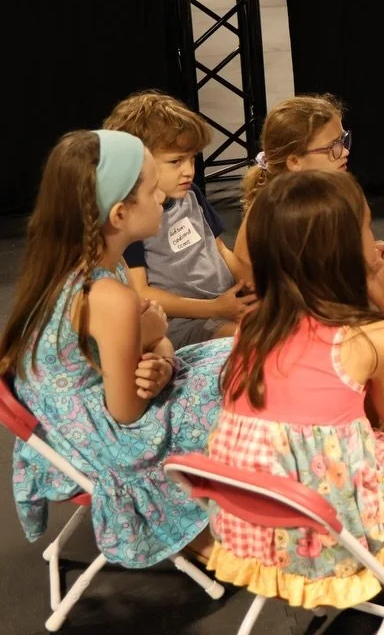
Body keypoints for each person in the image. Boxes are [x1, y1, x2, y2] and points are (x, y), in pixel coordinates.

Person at [205, 171, 384, 630]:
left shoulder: (254, 325)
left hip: (255, 529)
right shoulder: (369, 337)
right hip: (332, 537)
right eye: (366, 226)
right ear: (342, 249)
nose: (374, 234)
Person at [1, 130, 231, 569]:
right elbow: (127, 413)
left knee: (233, 355)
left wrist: (160, 355)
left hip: (99, 401)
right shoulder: (108, 297)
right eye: (151, 188)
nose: (162, 195)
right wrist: (149, 340)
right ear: (121, 213)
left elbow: (156, 338)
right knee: (232, 387)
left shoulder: (99, 259)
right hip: (95, 436)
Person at [232, 95, 384, 384]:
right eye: (331, 147)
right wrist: (379, 286)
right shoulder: (276, 218)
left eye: (343, 139)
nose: (344, 152)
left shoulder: (321, 202)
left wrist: (364, 254)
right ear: (294, 161)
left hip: (319, 330)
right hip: (293, 343)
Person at [103, 90, 251, 346]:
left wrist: (254, 285)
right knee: (252, 342)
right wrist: (215, 308)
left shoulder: (191, 194)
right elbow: (142, 293)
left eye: (192, 159)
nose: (189, 171)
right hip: (184, 322)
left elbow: (220, 250)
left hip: (224, 304)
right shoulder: (135, 220)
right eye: (175, 161)